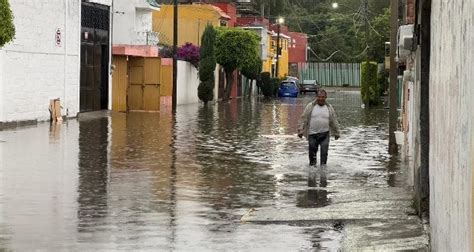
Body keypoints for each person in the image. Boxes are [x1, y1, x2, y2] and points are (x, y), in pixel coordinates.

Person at [298, 89, 340, 166]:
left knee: (324, 154)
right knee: (312, 156)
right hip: (312, 135)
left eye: (323, 97)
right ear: (316, 97)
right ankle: (312, 173)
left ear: (326, 97)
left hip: (325, 135)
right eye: (319, 97)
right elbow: (303, 118)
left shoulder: (329, 108)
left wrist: (337, 132)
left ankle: (323, 174)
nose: (321, 99)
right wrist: (300, 130)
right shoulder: (310, 106)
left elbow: (334, 120)